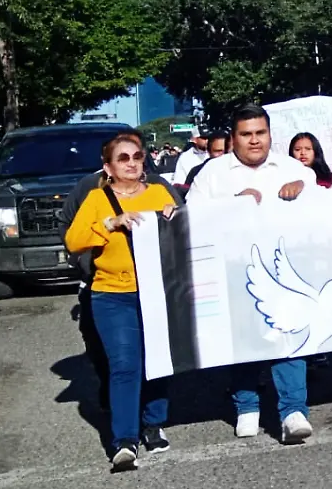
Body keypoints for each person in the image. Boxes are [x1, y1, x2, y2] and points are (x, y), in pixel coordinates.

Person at [186, 104, 319, 444]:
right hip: (232, 268)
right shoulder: (212, 174)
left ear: (270, 134)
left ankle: (293, 411)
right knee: (244, 340)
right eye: (246, 134)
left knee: (288, 336)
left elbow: (320, 210)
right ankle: (247, 407)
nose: (254, 140)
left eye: (260, 133)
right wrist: (232, 202)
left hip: (284, 269)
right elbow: (193, 218)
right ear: (234, 137)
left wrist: (304, 191)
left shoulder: (294, 169)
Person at [65, 134, 179, 470]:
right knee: (125, 365)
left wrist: (175, 215)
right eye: (123, 158)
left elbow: (187, 231)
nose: (131, 163)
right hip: (112, 293)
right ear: (108, 167)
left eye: (137, 156)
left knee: (157, 361)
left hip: (158, 291)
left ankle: (153, 423)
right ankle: (124, 440)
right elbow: (73, 240)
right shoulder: (98, 199)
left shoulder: (159, 193)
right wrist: (109, 223)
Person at [179, 129, 230, 194]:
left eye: (227, 151)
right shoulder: (196, 172)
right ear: (209, 151)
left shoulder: (242, 170)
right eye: (218, 151)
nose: (223, 155)